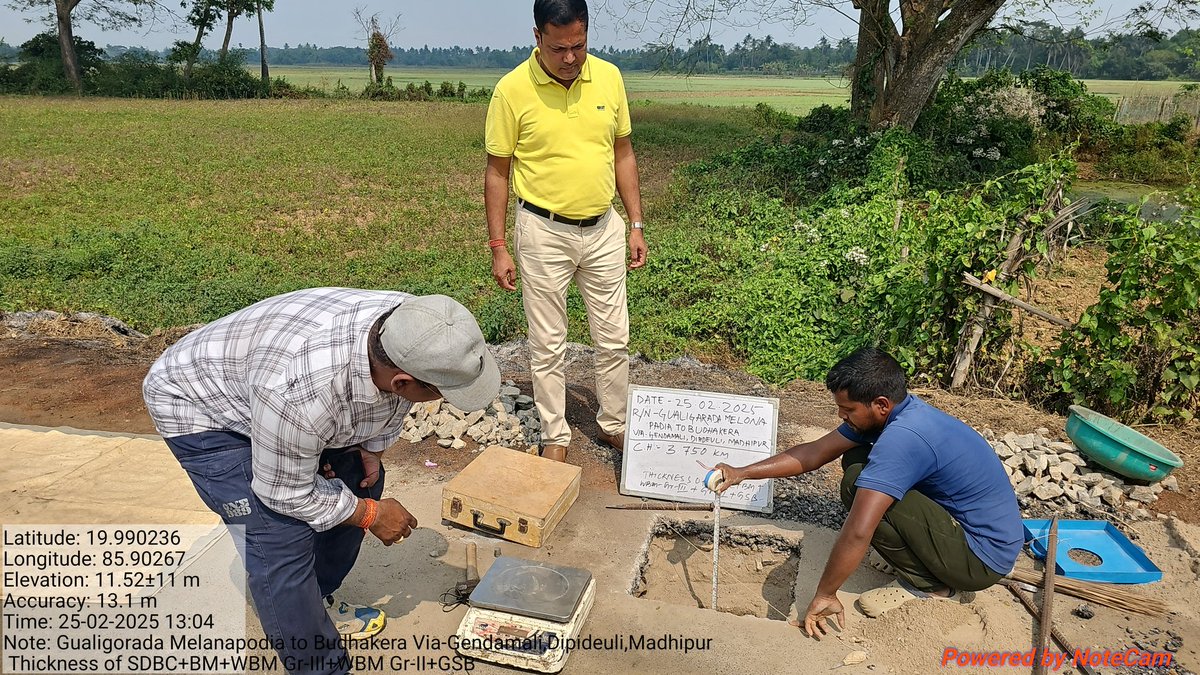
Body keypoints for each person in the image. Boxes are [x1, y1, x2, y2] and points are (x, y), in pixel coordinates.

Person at [143, 288, 500, 675]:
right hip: (202, 406)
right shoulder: (300, 393)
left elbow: (391, 404)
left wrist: (371, 448)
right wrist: (368, 516)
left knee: (360, 481)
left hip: (273, 390)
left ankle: (318, 599)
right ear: (401, 382)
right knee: (278, 542)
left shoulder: (418, 326)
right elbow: (283, 492)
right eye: (440, 393)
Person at [714, 347, 1022, 638]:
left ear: (881, 404)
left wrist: (825, 594)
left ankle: (931, 584)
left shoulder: (903, 438)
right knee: (856, 462)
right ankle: (922, 556)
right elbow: (815, 452)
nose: (840, 415)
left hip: (981, 559)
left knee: (860, 484)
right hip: (963, 531)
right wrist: (742, 473)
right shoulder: (894, 415)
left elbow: (859, 531)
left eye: (847, 409)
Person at [485, 0, 648, 463]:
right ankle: (556, 435)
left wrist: (635, 223)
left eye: (578, 45)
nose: (570, 58)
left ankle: (614, 424)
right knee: (548, 340)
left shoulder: (610, 78)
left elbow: (623, 152)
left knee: (614, 336)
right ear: (537, 37)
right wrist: (499, 245)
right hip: (542, 230)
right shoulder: (511, 90)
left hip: (603, 228)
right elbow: (498, 171)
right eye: (559, 48)